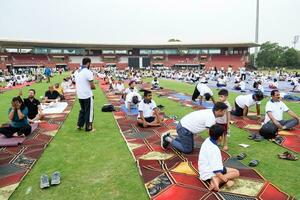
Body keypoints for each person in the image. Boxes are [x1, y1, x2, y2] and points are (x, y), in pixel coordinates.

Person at [161, 102, 228, 154]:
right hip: (184, 129)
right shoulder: (211, 117)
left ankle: (173, 138)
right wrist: (213, 145)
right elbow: (210, 133)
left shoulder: (210, 112)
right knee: (187, 150)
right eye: (224, 111)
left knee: (190, 146)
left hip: (184, 127)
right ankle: (167, 138)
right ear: (219, 111)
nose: (225, 113)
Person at [198, 124, 239, 192]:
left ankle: (215, 180)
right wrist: (227, 181)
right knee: (236, 172)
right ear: (220, 137)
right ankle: (216, 180)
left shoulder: (207, 140)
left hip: (203, 170)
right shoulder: (214, 149)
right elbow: (216, 171)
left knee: (229, 170)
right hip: (210, 173)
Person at [74, 57, 96, 132]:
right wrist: (94, 87)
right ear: (88, 63)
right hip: (87, 94)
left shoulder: (77, 71)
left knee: (82, 110)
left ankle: (79, 125)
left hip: (79, 94)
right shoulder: (88, 72)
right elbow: (92, 85)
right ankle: (89, 127)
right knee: (89, 111)